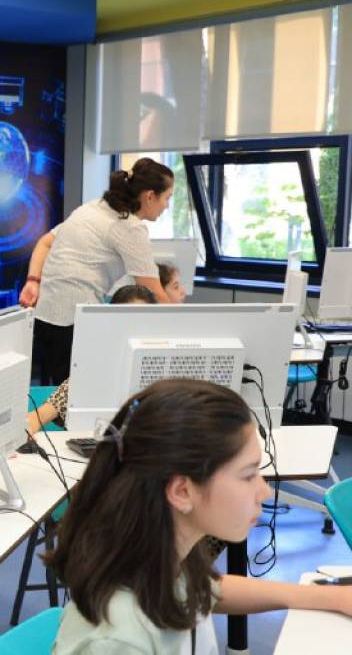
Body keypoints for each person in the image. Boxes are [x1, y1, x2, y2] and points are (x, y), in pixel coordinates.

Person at [46, 378, 352, 654]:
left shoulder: (160, 557)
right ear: (182, 491)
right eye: (248, 475)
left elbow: (209, 590)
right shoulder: (120, 640)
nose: (264, 492)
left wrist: (330, 598)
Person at [20, 158, 175, 385]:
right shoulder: (130, 227)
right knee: (79, 394)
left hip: (44, 316)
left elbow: (45, 242)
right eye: (167, 198)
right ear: (150, 196)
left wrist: (33, 281)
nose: (167, 206)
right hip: (73, 322)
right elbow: (155, 294)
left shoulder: (93, 208)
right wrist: (182, 331)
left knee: (62, 393)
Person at [26, 285, 156, 435]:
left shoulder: (165, 374)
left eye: (141, 322)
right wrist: (28, 429)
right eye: (127, 323)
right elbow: (38, 417)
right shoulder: (96, 371)